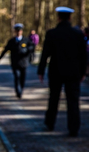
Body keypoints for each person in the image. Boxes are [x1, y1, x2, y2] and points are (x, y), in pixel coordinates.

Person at [37, 7, 87, 137]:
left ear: (58, 17)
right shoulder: (78, 34)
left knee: (53, 98)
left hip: (56, 71)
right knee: (73, 100)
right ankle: (74, 128)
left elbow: (45, 54)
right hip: (73, 73)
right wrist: (83, 72)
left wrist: (41, 71)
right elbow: (84, 56)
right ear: (70, 18)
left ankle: (50, 123)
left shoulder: (52, 33)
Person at [0, 23, 34, 99]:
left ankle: (21, 89)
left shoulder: (26, 40)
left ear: (22, 31)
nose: (18, 32)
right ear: (15, 31)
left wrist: (28, 51)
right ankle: (18, 91)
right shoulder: (12, 41)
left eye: (19, 31)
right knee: (17, 76)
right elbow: (5, 50)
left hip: (24, 63)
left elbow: (32, 47)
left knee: (22, 78)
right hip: (15, 63)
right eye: (17, 31)